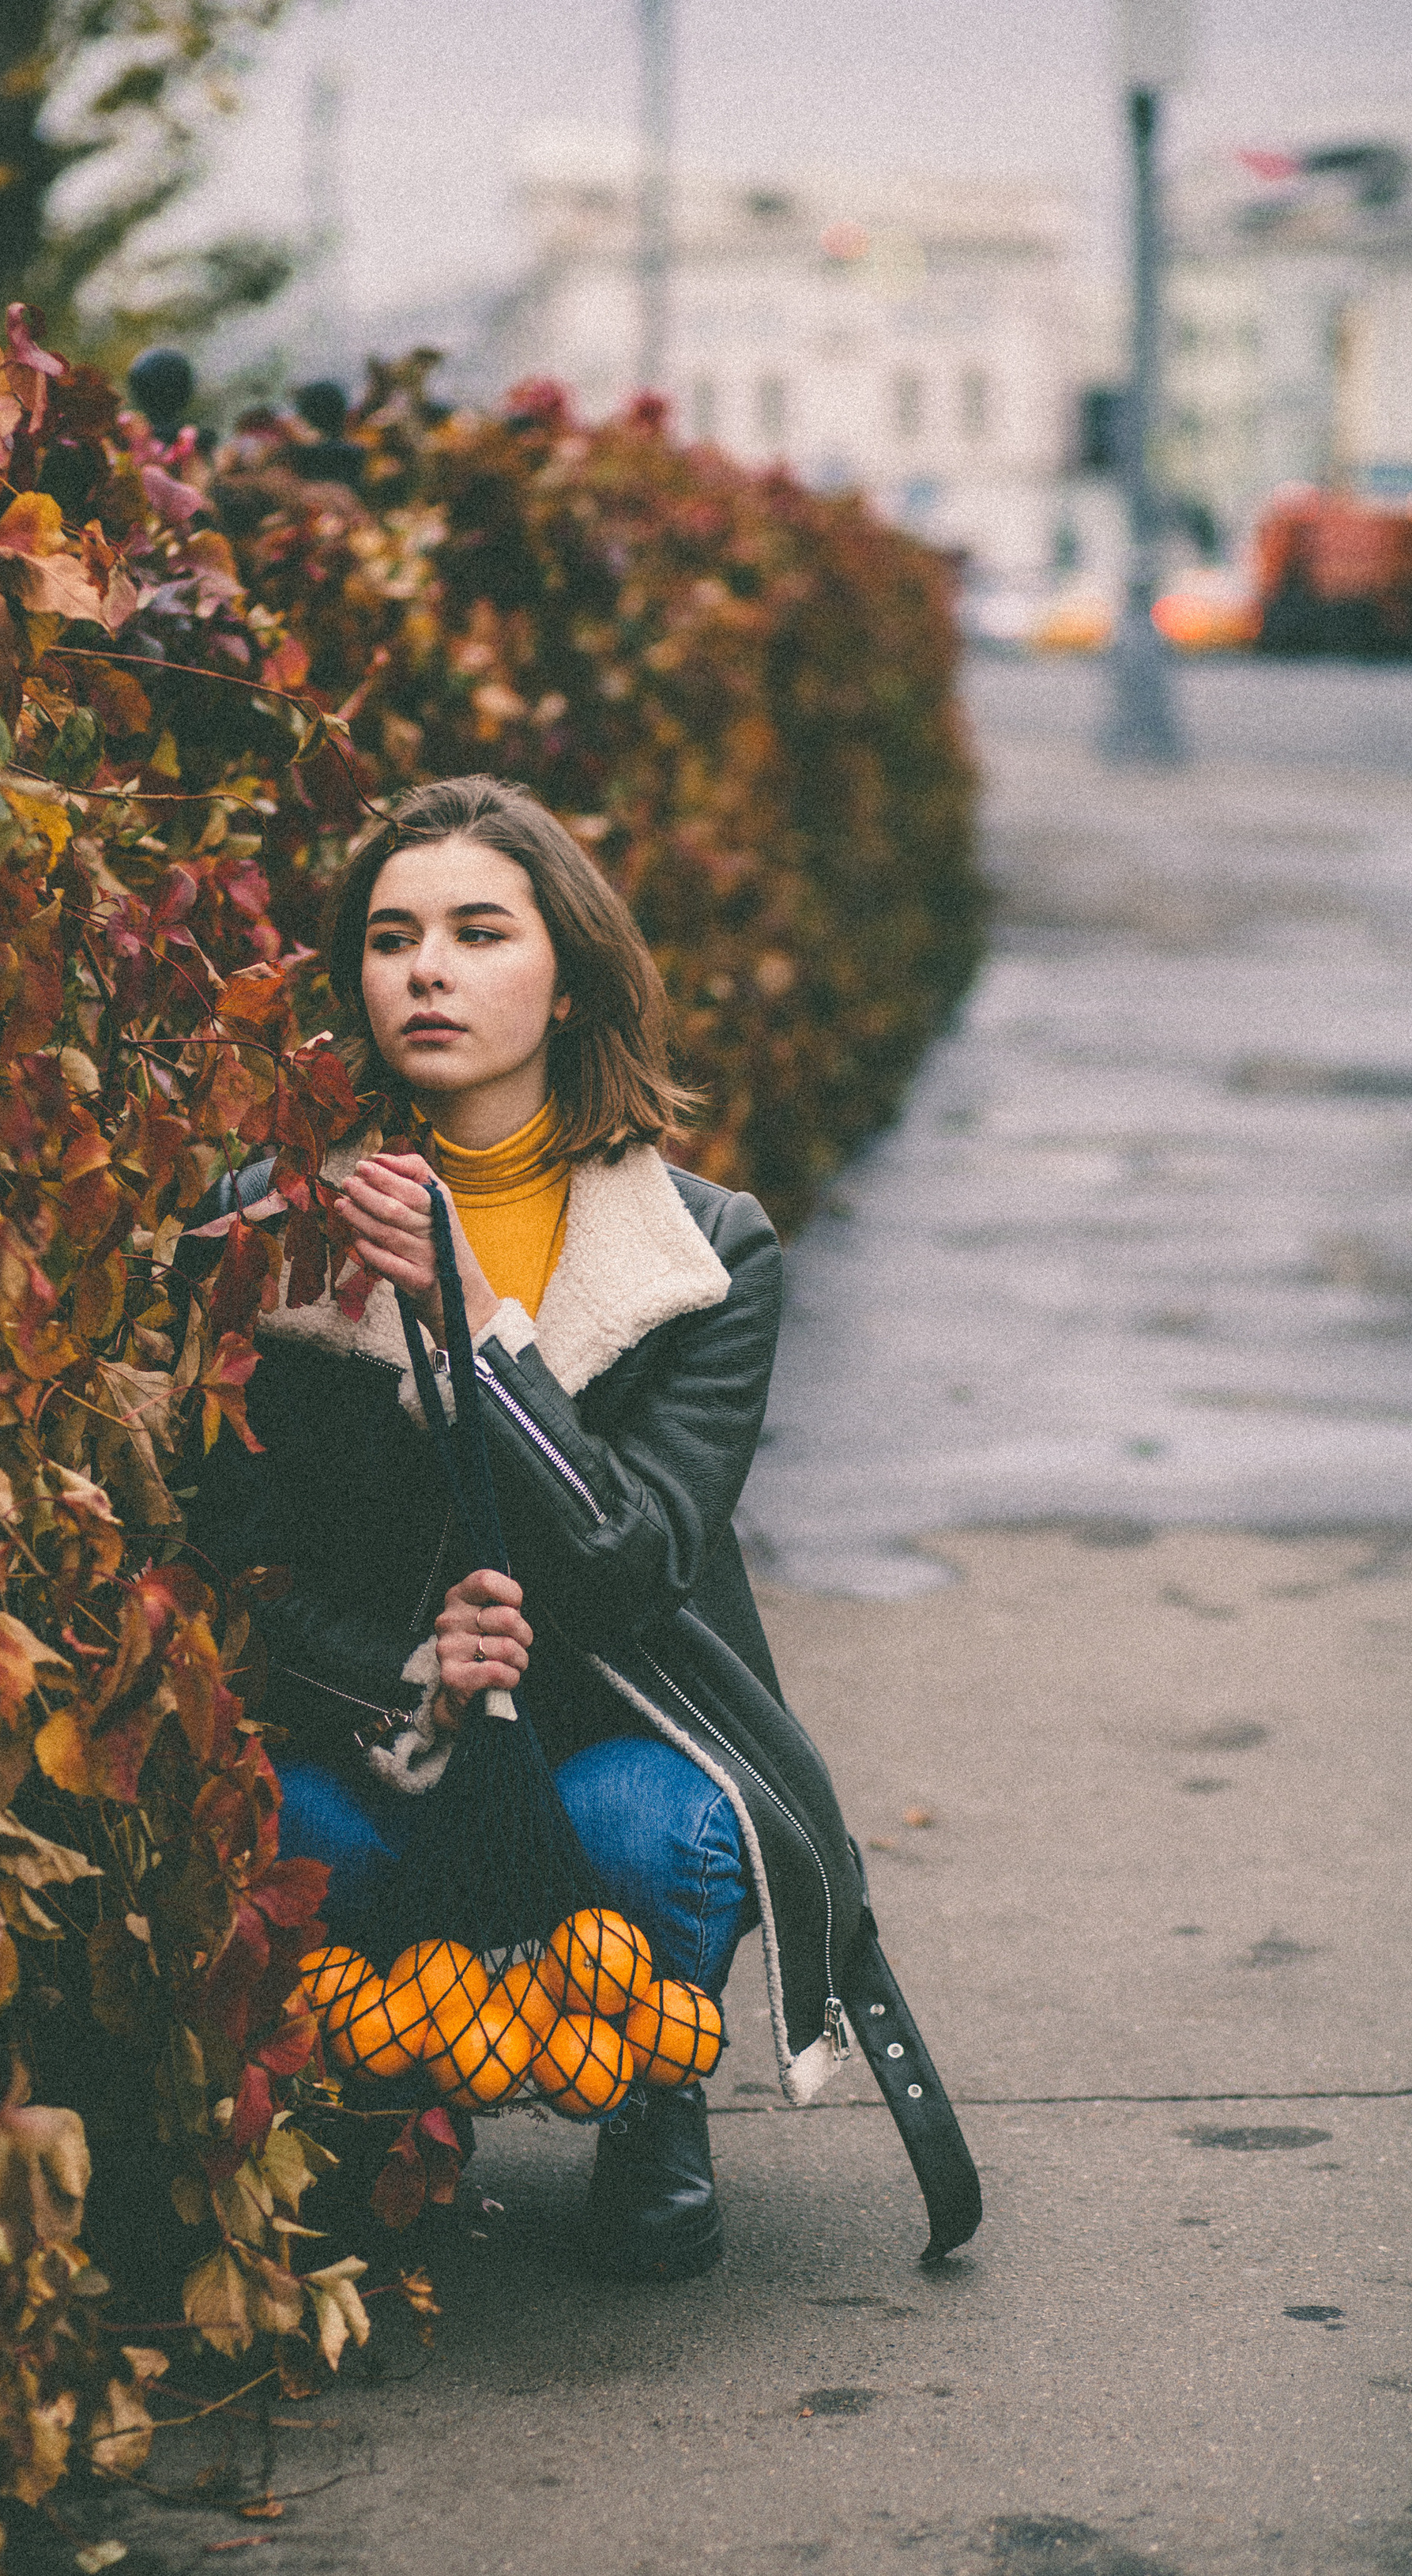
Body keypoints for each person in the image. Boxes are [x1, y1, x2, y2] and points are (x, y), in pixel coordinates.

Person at [199, 774, 907, 2280]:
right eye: (392, 938)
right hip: (367, 1724)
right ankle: (377, 2113)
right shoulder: (267, 1227)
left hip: (611, 1734)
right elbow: (234, 1560)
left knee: (644, 1831)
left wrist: (470, 1319)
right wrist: (414, 1669)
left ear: (569, 978)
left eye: (477, 931)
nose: (429, 971)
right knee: (291, 1826)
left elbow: (632, 1562)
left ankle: (650, 2097)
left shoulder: (707, 1252)